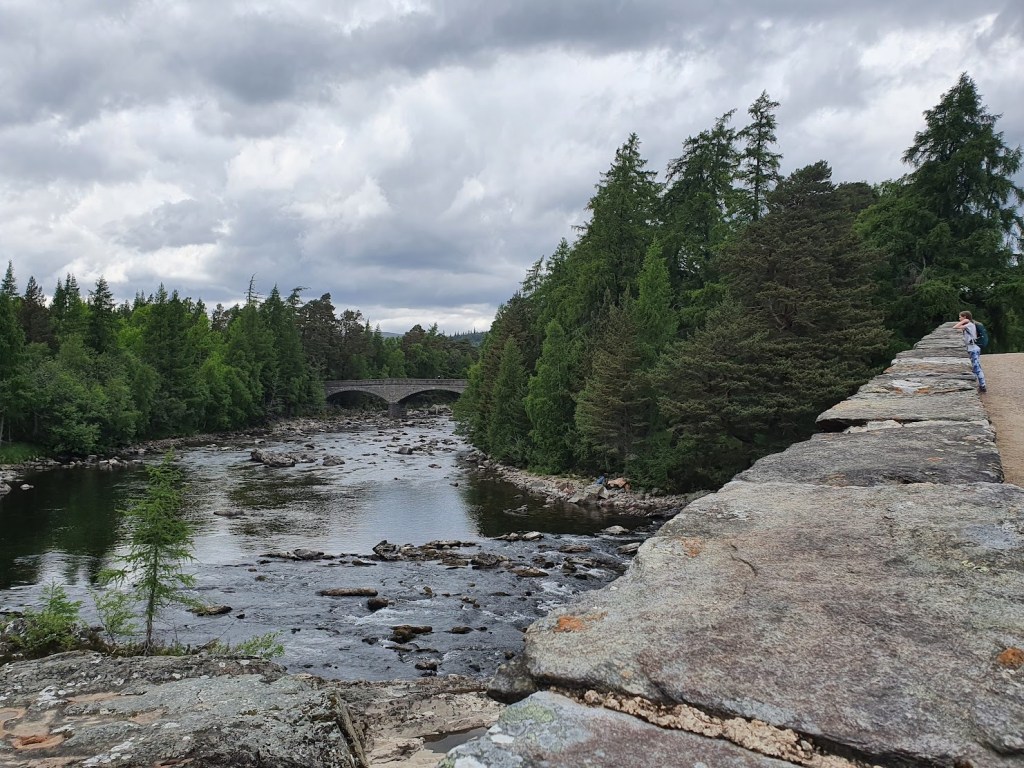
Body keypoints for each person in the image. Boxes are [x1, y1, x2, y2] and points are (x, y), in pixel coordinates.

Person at [953, 310, 987, 393]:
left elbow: (955, 327)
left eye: (960, 317)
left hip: (973, 349)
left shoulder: (970, 325)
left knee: (976, 368)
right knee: (976, 367)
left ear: (965, 317)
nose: (959, 318)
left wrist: (965, 321)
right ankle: (981, 385)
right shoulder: (969, 325)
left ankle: (983, 386)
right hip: (972, 348)